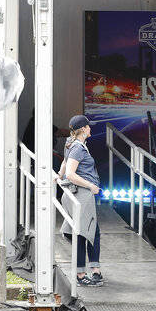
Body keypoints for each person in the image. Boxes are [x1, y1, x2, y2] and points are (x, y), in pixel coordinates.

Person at [58, 115, 104, 287]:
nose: (90, 129)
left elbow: (65, 163)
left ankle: (93, 270)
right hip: (82, 194)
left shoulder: (72, 143)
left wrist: (59, 175)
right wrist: (91, 186)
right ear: (84, 129)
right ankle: (81, 274)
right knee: (84, 233)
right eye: (89, 127)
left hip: (79, 194)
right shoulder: (78, 148)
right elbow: (71, 172)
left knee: (90, 231)